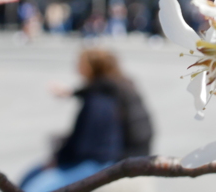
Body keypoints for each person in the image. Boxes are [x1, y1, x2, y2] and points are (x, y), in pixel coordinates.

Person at [20, 49, 153, 191]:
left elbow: (84, 145)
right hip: (110, 155)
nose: (76, 65)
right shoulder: (111, 88)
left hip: (100, 160)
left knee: (35, 187)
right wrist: (71, 93)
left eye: (80, 62)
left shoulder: (99, 100)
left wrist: (58, 158)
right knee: (31, 176)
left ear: (91, 67)